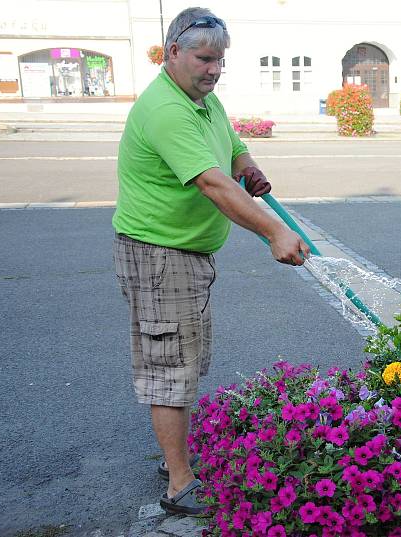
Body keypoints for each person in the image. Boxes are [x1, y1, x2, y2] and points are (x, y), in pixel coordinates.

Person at [112, 6, 309, 517]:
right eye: (204, 59)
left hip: (185, 254)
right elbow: (211, 182)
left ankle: (173, 458)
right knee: (170, 367)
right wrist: (274, 232)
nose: (214, 70)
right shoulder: (166, 110)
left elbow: (231, 151)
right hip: (160, 254)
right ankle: (179, 483)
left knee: (184, 360)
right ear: (173, 52)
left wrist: (249, 165)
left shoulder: (201, 99)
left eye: (220, 61)